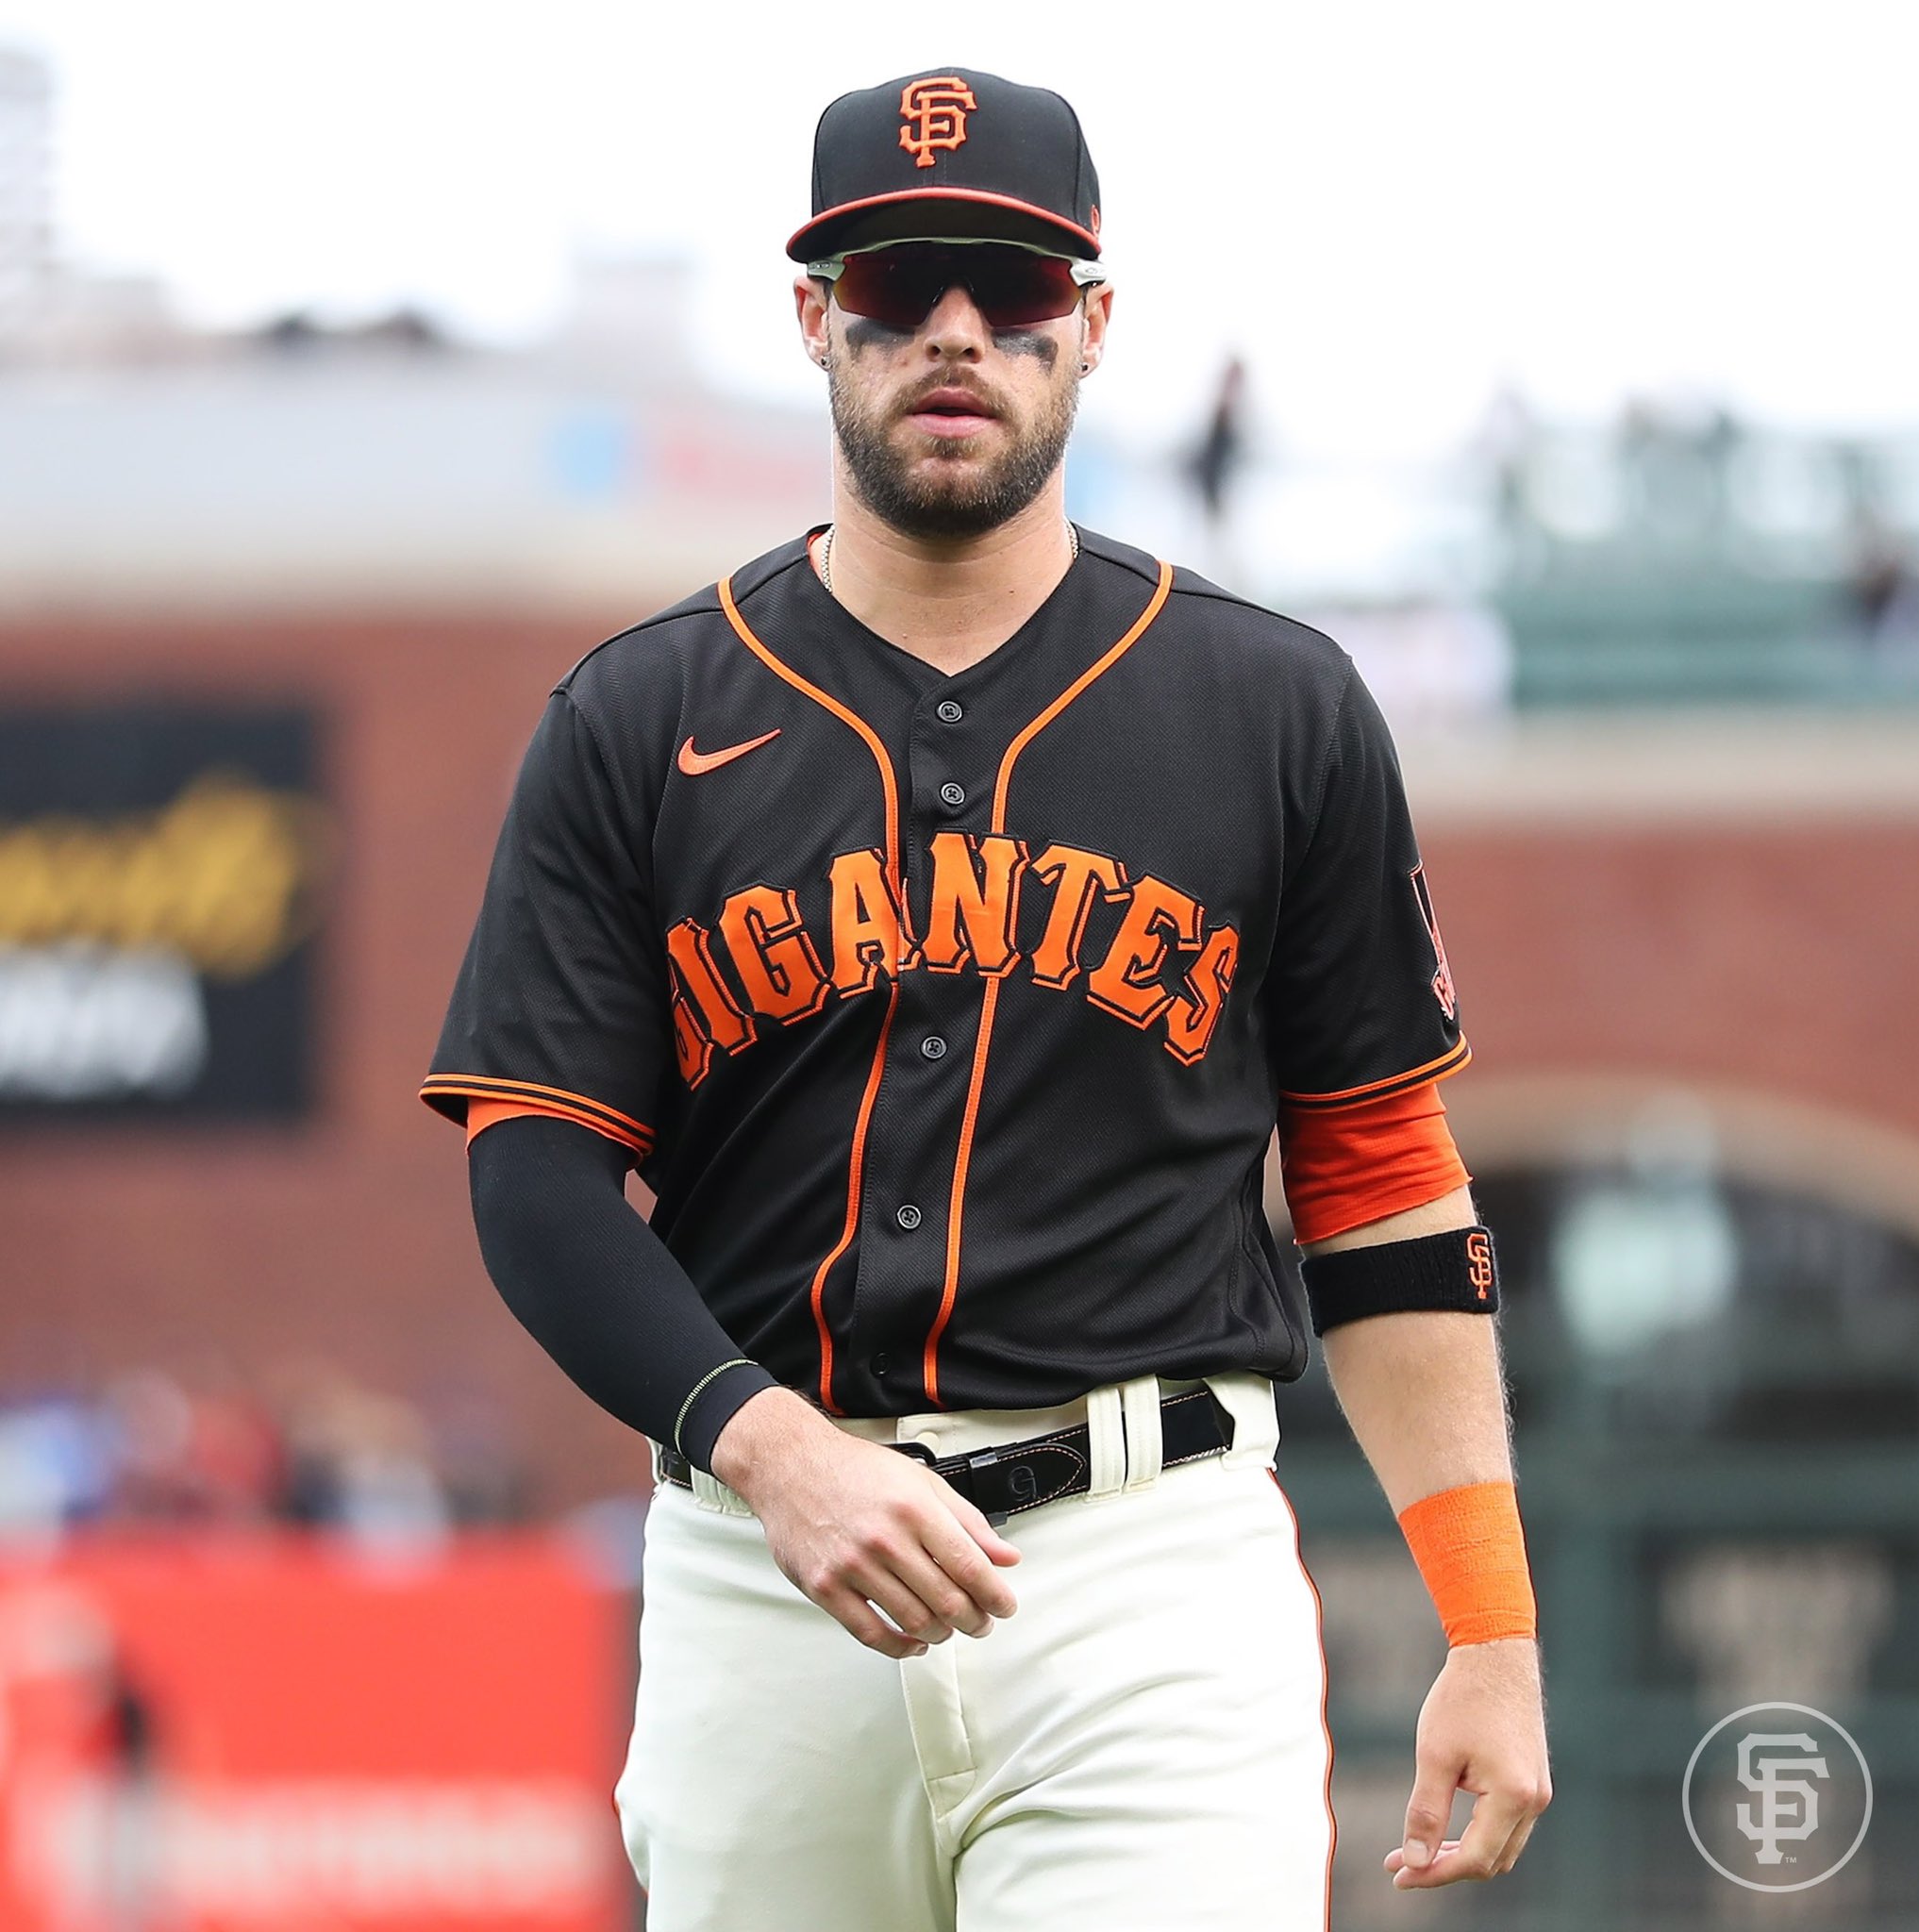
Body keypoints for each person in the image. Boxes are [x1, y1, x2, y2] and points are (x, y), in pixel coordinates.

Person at [422, 66, 1550, 1931]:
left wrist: (1491, 1629)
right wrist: (762, 1442)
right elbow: (533, 1172)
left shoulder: (1270, 706)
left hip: (1144, 1565)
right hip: (766, 1561)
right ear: (815, 318)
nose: (953, 329)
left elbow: (1378, 1181)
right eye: (898, 280)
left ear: (1091, 327)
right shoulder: (639, 714)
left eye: (1011, 288)